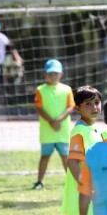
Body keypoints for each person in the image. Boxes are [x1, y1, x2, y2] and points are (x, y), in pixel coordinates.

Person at [61, 86, 106, 215]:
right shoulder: (79, 131)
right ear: (78, 108)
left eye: (96, 102)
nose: (94, 107)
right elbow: (72, 163)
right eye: (88, 103)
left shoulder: (95, 129)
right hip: (83, 197)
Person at [32, 59, 75, 190]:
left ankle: (71, 182)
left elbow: (70, 107)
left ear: (61, 74)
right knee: (45, 156)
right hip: (47, 131)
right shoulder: (40, 90)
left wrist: (58, 120)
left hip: (62, 131)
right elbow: (38, 107)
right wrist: (51, 121)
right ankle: (39, 181)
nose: (53, 76)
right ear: (45, 74)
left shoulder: (67, 89)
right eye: (50, 73)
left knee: (66, 157)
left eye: (55, 73)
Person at [0, 21, 23, 105]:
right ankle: (3, 101)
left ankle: (10, 101)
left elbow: (10, 48)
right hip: (0, 64)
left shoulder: (2, 37)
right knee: (1, 83)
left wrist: (17, 58)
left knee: (8, 81)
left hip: (5, 63)